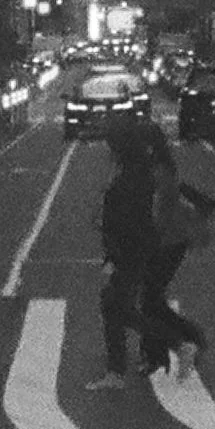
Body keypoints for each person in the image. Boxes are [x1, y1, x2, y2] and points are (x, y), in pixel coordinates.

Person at [138, 123, 211, 381]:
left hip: (167, 243)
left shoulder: (159, 172)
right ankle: (175, 345)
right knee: (151, 299)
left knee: (149, 300)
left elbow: (159, 211)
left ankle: (182, 342)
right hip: (168, 241)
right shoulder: (159, 168)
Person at [88, 126, 158, 389]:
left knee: (114, 305)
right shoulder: (135, 176)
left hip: (128, 253)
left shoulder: (127, 182)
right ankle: (174, 341)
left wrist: (114, 258)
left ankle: (116, 372)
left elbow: (123, 223)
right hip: (135, 251)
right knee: (118, 306)